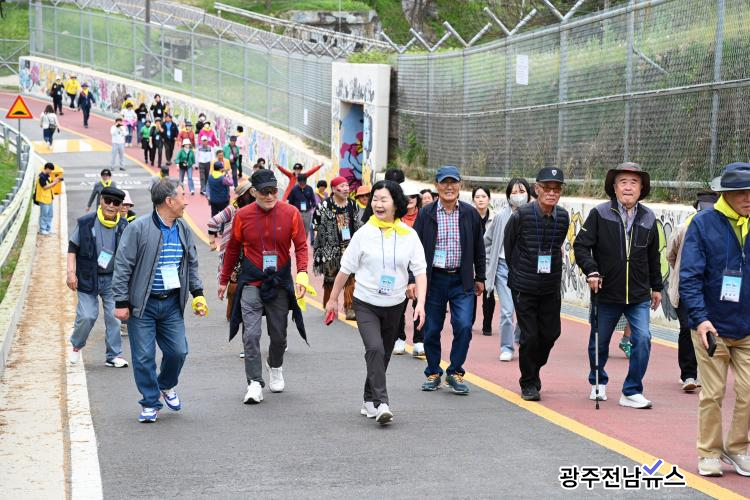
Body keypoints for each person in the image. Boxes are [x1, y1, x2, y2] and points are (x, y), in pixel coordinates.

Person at [326, 180, 427, 424]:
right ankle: (382, 403)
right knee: (374, 349)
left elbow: (420, 271)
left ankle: (368, 399)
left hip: (395, 304)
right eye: (375, 199)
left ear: (396, 204)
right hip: (366, 302)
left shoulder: (409, 235)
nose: (378, 204)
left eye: (384, 199)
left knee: (383, 354)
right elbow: (345, 269)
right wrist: (332, 299)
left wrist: (421, 304)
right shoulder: (363, 234)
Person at [113, 178, 208, 423]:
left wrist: (198, 293)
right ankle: (150, 402)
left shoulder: (183, 229)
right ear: (169, 201)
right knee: (144, 357)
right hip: (142, 305)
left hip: (171, 304)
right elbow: (123, 266)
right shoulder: (138, 228)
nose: (185, 202)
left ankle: (165, 384)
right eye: (182, 196)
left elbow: (191, 264)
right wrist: (121, 301)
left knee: (178, 351)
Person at [679, 162, 750, 477]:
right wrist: (700, 319)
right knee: (714, 392)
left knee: (748, 391)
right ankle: (708, 452)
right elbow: (690, 276)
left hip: (746, 326)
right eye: (742, 192)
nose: (748, 198)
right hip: (711, 326)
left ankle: (737, 448)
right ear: (726, 194)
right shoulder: (703, 224)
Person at [573, 163, 662, 409]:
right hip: (606, 292)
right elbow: (581, 246)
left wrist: (656, 287)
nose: (628, 187)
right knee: (599, 342)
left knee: (642, 339)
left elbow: (653, 256)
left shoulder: (649, 218)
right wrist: (592, 270)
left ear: (642, 188)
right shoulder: (600, 214)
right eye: (623, 182)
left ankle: (631, 391)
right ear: (614, 187)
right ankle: (598, 382)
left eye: (634, 182)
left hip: (638, 295)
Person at [218, 169, 310, 404]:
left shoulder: (290, 213)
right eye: (264, 192)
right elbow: (232, 249)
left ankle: (275, 365)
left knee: (279, 336)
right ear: (253, 192)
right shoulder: (242, 216)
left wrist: (302, 274)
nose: (270, 196)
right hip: (251, 282)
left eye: (273, 191)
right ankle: (254, 383)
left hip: (279, 282)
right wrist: (224, 279)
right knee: (250, 334)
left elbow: (301, 245)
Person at [414, 166, 486, 395]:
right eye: (444, 182)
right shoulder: (426, 214)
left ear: (460, 185)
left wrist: (480, 277)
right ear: (436, 186)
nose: (449, 187)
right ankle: (433, 371)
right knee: (431, 328)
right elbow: (414, 248)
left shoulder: (470, 214)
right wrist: (413, 280)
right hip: (433, 280)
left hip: (461, 280)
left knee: (464, 325)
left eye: (453, 182)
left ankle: (455, 371)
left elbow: (479, 248)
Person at [504, 168, 569, 401]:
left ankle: (534, 367)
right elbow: (509, 246)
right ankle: (528, 382)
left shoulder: (563, 217)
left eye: (556, 189)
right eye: (547, 188)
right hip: (524, 286)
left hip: (550, 285)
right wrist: (519, 274)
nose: (552, 193)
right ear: (537, 189)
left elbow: (557, 246)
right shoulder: (521, 215)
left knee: (551, 333)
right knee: (530, 336)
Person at [67, 186, 129, 368]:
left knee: (114, 317)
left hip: (113, 279)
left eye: (116, 203)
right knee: (87, 316)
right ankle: (76, 345)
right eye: (107, 201)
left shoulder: (124, 226)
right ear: (101, 201)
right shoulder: (86, 222)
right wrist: (70, 272)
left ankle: (113, 355)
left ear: (120, 206)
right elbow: (72, 248)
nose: (111, 205)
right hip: (88, 276)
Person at [667, 190, 718, 392]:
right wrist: (684, 273)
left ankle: (706, 375)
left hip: (711, 291)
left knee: (709, 330)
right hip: (686, 289)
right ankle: (688, 374)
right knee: (687, 329)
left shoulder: (722, 230)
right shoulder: (683, 228)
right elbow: (671, 255)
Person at [484, 178, 531, 362]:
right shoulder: (500, 217)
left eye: (522, 191)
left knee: (525, 309)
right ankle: (506, 347)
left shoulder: (535, 214)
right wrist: (488, 265)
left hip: (527, 270)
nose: (518, 195)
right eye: (514, 192)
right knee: (507, 310)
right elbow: (487, 242)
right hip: (504, 267)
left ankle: (517, 337)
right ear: (508, 195)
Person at [312, 176, 360, 320]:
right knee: (330, 280)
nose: (346, 189)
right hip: (329, 251)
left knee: (351, 278)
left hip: (349, 248)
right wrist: (322, 246)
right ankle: (330, 307)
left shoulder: (353, 204)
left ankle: (350, 308)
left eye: (347, 186)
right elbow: (315, 226)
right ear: (333, 189)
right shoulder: (323, 206)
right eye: (342, 186)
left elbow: (357, 225)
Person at [207, 180, 255, 320]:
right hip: (234, 250)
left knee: (249, 282)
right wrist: (212, 241)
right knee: (234, 283)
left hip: (249, 250)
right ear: (245, 194)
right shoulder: (233, 209)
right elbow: (212, 222)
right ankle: (231, 314)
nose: (254, 193)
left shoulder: (255, 208)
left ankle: (245, 312)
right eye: (251, 191)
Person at [393, 182, 424, 356]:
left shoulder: (425, 216)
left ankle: (419, 341)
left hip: (419, 267)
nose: (410, 199)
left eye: (413, 197)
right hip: (399, 268)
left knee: (420, 304)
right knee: (398, 306)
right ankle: (399, 338)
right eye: (406, 197)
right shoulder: (395, 218)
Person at [471, 187, 495, 336]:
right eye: (477, 197)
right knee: (471, 292)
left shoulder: (495, 218)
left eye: (484, 196)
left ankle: (487, 325)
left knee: (488, 292)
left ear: (489, 199)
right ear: (473, 199)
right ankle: (470, 321)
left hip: (489, 260)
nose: (480, 199)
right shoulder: (468, 216)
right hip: (471, 260)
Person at [35, 162, 62, 236]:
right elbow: (45, 187)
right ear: (47, 168)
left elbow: (49, 185)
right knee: (44, 215)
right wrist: (54, 183)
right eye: (50, 170)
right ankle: (42, 229)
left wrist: (55, 182)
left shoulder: (47, 176)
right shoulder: (41, 177)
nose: (51, 172)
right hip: (43, 199)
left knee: (50, 215)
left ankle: (48, 229)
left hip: (49, 199)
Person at [287, 173, 316, 238]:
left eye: (304, 184)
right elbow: (290, 202)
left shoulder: (309, 189)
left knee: (306, 230)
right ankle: (298, 243)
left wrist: (311, 208)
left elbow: (313, 201)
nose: (302, 186)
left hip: (307, 213)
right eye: (301, 184)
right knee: (297, 230)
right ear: (298, 182)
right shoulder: (294, 189)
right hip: (297, 213)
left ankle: (303, 242)